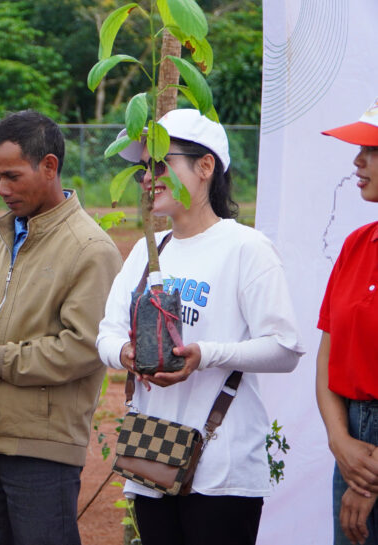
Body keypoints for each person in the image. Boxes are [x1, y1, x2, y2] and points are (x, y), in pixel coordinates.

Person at [96, 109, 303, 545]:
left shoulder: (246, 248)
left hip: (223, 467)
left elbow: (284, 348)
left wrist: (204, 354)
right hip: (152, 454)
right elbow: (107, 334)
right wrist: (126, 355)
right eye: (142, 169)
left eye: (161, 163)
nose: (148, 178)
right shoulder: (148, 250)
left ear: (205, 166)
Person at [0, 110, 123, 545]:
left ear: (49, 166)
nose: (2, 189)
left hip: (41, 450)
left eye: (12, 176)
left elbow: (81, 348)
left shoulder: (91, 249)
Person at [316, 96, 378, 545]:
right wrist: (342, 443)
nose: (357, 161)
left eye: (372, 151)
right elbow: (327, 359)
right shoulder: (357, 244)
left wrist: (368, 476)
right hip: (353, 441)